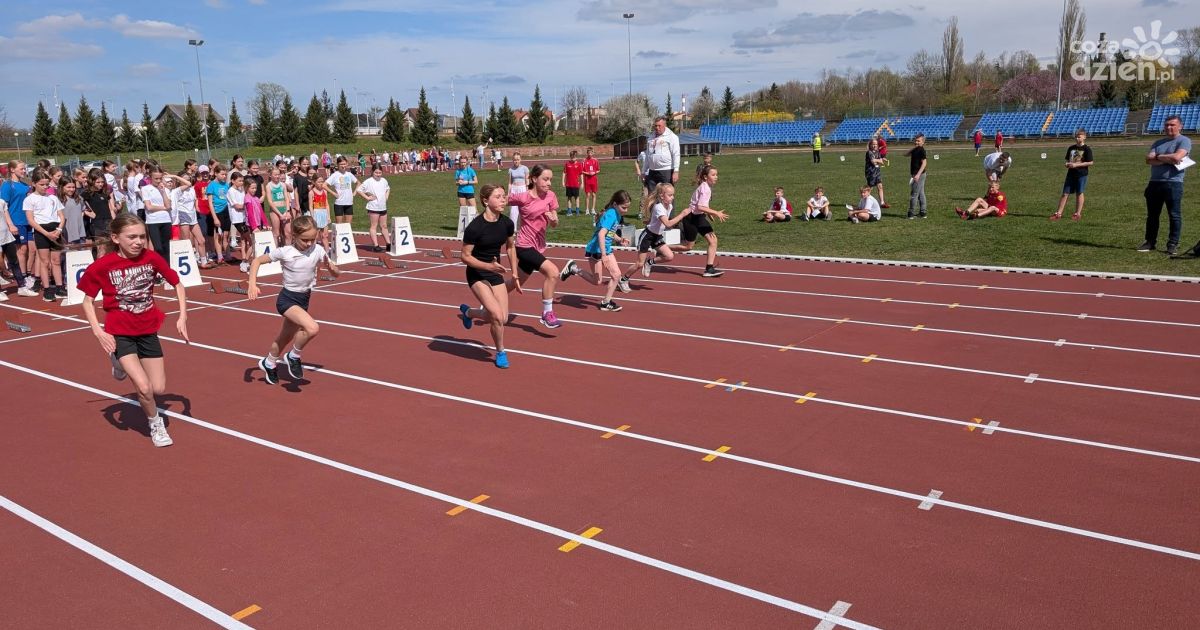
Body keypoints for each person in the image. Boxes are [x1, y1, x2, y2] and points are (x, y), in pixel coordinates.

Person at [79, 212, 189, 448]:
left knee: (158, 388)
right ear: (116, 238)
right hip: (121, 332)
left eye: (142, 236)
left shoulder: (151, 258)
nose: (138, 242)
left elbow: (177, 283)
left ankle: (117, 362)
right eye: (132, 237)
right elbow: (87, 301)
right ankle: (155, 423)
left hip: (148, 329)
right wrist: (99, 332)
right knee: (144, 387)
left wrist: (183, 316)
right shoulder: (102, 266)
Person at [247, 216, 338, 385]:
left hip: (304, 299)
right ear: (294, 235)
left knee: (284, 338)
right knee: (312, 328)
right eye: (305, 240)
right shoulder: (286, 252)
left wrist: (333, 270)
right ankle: (293, 356)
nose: (309, 243)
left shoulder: (317, 250)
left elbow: (336, 273)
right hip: (287, 299)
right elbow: (257, 261)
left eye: (313, 239)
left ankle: (269, 362)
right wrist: (252, 284)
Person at [458, 183, 519, 369]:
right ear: (485, 201)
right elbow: (465, 256)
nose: (503, 199)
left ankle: (469, 313)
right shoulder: (475, 227)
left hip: (494, 271)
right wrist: (488, 266)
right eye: (498, 196)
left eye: (504, 196)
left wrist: (515, 273)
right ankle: (501, 351)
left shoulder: (507, 223)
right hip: (477, 272)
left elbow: (510, 247)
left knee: (503, 318)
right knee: (496, 315)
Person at [505, 164, 565, 328]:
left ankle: (491, 296)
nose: (549, 183)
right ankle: (547, 313)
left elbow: (554, 222)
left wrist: (553, 220)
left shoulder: (551, 196)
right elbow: (501, 200)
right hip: (524, 246)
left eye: (550, 179)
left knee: (515, 283)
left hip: (538, 246)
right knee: (553, 273)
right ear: (534, 179)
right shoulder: (523, 197)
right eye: (545, 179)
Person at [560, 190, 633, 311]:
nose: (626, 210)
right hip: (596, 249)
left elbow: (610, 232)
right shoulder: (611, 214)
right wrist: (603, 255)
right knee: (597, 281)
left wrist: (620, 239)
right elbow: (601, 234)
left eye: (627, 207)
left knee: (616, 275)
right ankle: (573, 268)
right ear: (615, 204)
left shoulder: (617, 214)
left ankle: (606, 302)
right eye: (624, 207)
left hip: (605, 248)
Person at [1140, 115, 1191, 256]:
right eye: (1167, 125)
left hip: (1173, 183)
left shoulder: (1184, 141)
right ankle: (1150, 242)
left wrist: (1159, 157)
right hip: (1154, 183)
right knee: (1152, 215)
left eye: (1172, 125)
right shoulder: (1158, 142)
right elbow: (1148, 159)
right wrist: (1166, 158)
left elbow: (1177, 158)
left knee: (1174, 215)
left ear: (1180, 126)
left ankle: (1172, 244)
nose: (1169, 127)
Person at [619, 182, 685, 284]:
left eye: (673, 195)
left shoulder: (669, 206)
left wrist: (650, 221)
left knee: (669, 256)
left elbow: (658, 218)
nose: (672, 197)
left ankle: (650, 262)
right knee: (639, 264)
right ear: (662, 196)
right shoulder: (659, 207)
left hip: (657, 236)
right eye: (670, 195)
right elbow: (667, 223)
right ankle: (623, 279)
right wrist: (683, 214)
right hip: (647, 236)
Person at [679, 164, 728, 277]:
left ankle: (709, 269)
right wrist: (715, 213)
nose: (716, 177)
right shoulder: (705, 188)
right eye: (713, 175)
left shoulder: (705, 186)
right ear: (706, 177)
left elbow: (701, 205)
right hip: (691, 218)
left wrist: (708, 213)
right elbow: (700, 207)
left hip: (699, 217)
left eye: (717, 175)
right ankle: (664, 248)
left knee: (713, 241)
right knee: (688, 247)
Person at [25, 170, 67, 300]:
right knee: (44, 262)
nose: (45, 187)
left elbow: (61, 216)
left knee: (56, 261)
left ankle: (59, 288)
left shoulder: (53, 198)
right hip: (41, 231)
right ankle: (47, 289)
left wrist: (59, 230)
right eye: (42, 184)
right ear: (34, 184)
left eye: (47, 185)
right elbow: (31, 220)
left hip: (55, 230)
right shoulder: (29, 199)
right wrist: (46, 234)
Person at [2, 161, 36, 295]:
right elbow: (3, 206)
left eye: (25, 168)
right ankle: (23, 279)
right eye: (21, 169)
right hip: (17, 221)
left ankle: (27, 275)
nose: (24, 171)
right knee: (22, 250)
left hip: (28, 221)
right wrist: (10, 224)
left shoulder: (24, 185)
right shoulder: (7, 186)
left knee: (32, 249)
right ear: (12, 169)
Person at [1053, 129, 1094, 222]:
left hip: (1081, 174)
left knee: (1079, 193)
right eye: (1076, 136)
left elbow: (1090, 162)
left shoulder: (1087, 149)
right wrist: (1067, 164)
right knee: (1065, 193)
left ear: (1084, 137)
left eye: (1079, 136)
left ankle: (1077, 213)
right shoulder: (1071, 148)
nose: (1077, 138)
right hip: (1071, 174)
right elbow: (1068, 160)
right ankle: (1058, 213)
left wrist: (1077, 165)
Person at [357, 165, 392, 253]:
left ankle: (388, 244)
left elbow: (388, 189)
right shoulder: (368, 181)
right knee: (374, 226)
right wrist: (367, 198)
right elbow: (359, 190)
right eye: (376, 172)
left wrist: (386, 197)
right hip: (373, 207)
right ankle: (376, 245)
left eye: (380, 173)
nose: (378, 174)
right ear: (372, 172)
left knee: (384, 226)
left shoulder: (384, 180)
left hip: (383, 206)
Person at [204, 165, 232, 265]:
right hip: (217, 212)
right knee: (219, 235)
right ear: (216, 173)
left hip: (226, 211)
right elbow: (210, 202)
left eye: (226, 174)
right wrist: (215, 218)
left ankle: (228, 255)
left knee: (226, 234)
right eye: (222, 174)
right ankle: (220, 256)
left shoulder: (226, 184)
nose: (224, 176)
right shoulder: (211, 185)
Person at [643, 116, 681, 191]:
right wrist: (643, 171)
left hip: (666, 171)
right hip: (652, 171)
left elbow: (676, 154)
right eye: (655, 126)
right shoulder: (650, 137)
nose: (657, 128)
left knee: (666, 196)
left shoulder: (672, 137)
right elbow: (648, 156)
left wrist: (676, 171)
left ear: (664, 125)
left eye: (659, 126)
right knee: (652, 197)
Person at [265, 167, 293, 247]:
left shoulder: (283, 185)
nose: (277, 176)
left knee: (288, 232)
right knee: (276, 234)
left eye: (278, 174)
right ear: (270, 175)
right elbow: (270, 201)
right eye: (275, 175)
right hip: (275, 211)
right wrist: (279, 214)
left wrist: (287, 211)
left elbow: (286, 198)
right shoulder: (268, 186)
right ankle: (275, 252)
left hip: (284, 209)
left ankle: (288, 250)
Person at [326, 157, 358, 226]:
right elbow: (324, 185)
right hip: (339, 203)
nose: (343, 166)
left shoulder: (349, 174)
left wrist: (354, 192)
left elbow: (359, 183)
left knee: (348, 225)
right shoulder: (334, 175)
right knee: (339, 226)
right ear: (337, 165)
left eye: (344, 164)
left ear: (347, 164)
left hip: (349, 203)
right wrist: (333, 193)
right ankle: (337, 237)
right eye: (341, 164)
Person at [905, 133, 928, 219]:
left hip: (919, 175)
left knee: (914, 194)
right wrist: (914, 148)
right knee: (921, 193)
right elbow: (905, 154)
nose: (916, 142)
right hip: (916, 174)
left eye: (918, 141)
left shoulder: (922, 150)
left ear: (923, 142)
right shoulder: (915, 149)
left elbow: (924, 163)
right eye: (915, 140)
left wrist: (918, 175)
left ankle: (911, 213)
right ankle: (923, 212)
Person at [507, 152, 529, 229]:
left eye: (518, 159)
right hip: (514, 190)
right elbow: (509, 183)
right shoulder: (510, 170)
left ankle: (523, 229)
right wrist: (508, 193)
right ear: (512, 160)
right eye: (514, 160)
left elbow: (527, 181)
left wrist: (528, 191)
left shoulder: (525, 168)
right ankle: (513, 231)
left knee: (523, 211)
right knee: (513, 212)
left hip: (523, 190)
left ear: (520, 160)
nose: (516, 161)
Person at [309, 173, 331, 251]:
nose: (321, 183)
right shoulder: (311, 192)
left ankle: (327, 253)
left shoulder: (325, 191)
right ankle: (313, 252)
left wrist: (328, 216)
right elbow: (311, 206)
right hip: (316, 213)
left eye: (322, 181)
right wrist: (313, 217)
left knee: (325, 235)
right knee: (315, 235)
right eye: (319, 182)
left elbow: (327, 205)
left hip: (324, 213)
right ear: (314, 182)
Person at [865, 139, 889, 209]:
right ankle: (864, 201)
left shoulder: (877, 152)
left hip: (877, 171)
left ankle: (882, 203)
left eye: (875, 144)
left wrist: (883, 159)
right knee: (870, 188)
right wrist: (880, 161)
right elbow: (873, 161)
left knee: (880, 186)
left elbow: (878, 159)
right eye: (873, 144)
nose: (874, 145)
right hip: (870, 172)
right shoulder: (869, 152)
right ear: (870, 145)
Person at [561, 150, 583, 216]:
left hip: (576, 184)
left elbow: (581, 174)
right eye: (572, 157)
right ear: (570, 157)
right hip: (568, 184)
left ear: (576, 157)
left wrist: (582, 183)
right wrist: (563, 181)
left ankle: (577, 211)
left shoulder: (579, 164)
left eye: (574, 157)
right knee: (569, 198)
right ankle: (569, 211)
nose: (573, 159)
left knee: (577, 198)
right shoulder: (567, 164)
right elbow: (564, 173)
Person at [582, 147, 601, 215]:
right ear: (587, 153)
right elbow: (581, 170)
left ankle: (593, 209)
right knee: (588, 195)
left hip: (594, 180)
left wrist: (594, 172)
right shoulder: (584, 161)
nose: (590, 154)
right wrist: (587, 173)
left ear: (593, 153)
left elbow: (599, 170)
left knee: (594, 194)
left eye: (591, 153)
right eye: (588, 153)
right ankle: (587, 210)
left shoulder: (595, 160)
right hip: (587, 180)